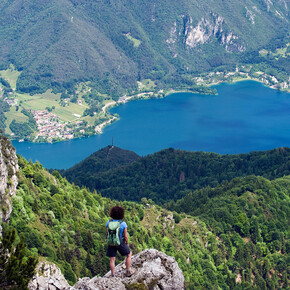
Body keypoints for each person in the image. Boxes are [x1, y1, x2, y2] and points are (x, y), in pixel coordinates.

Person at [106, 205, 134, 277]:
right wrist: (127, 243)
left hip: (111, 241)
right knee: (129, 254)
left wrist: (110, 241)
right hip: (119, 242)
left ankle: (112, 274)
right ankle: (128, 270)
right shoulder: (123, 223)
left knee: (112, 259)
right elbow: (125, 236)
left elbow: (106, 234)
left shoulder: (108, 222)